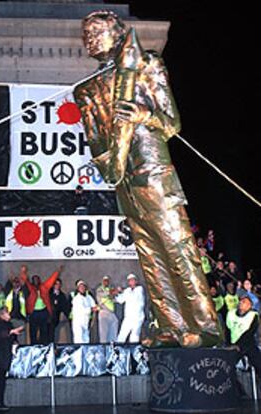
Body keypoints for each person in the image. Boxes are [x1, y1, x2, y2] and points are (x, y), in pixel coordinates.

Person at [74, 10, 222, 347]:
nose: (90, 40)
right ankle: (170, 326)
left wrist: (144, 114)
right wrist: (108, 163)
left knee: (178, 246)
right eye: (86, 35)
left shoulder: (145, 63)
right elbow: (96, 140)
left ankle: (205, 326)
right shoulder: (87, 91)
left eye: (97, 32)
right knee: (150, 255)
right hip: (124, 181)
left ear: (118, 32)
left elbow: (172, 122)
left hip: (154, 174)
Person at [20, 265, 63, 345]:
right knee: (33, 331)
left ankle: (43, 346)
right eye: (34, 279)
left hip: (43, 312)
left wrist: (58, 271)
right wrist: (23, 272)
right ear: (32, 281)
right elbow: (25, 279)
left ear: (39, 280)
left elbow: (52, 279)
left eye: (37, 279)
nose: (36, 281)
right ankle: (33, 347)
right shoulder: (31, 288)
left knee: (44, 331)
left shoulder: (44, 287)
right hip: (33, 313)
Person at [0, 306, 23, 411]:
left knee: (1, 379)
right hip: (0, 355)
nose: (9, 315)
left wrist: (14, 339)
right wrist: (11, 332)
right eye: (7, 313)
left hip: (5, 355)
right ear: (1, 315)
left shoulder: (8, 325)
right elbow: (0, 336)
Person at [227, 296, 261, 377]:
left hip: (247, 344)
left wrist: (238, 345)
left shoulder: (253, 315)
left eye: (244, 302)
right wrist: (230, 344)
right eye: (240, 301)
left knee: (259, 363)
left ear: (250, 306)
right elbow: (227, 330)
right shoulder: (231, 314)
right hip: (233, 344)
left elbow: (249, 333)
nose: (241, 302)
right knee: (227, 365)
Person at [115, 274, 145, 343]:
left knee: (134, 336)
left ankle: (134, 352)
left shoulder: (139, 289)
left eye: (133, 280)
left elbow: (134, 296)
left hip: (138, 317)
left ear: (136, 281)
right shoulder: (127, 291)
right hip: (128, 317)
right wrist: (117, 294)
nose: (131, 282)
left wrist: (121, 290)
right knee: (122, 335)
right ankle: (119, 352)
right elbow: (120, 300)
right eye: (130, 281)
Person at [96, 275, 119, 343]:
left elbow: (114, 299)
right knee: (103, 333)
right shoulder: (100, 289)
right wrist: (111, 292)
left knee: (113, 331)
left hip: (111, 313)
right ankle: (103, 349)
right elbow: (103, 295)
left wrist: (118, 292)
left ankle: (112, 348)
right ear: (102, 281)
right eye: (105, 281)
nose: (106, 282)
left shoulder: (110, 289)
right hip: (104, 312)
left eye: (107, 281)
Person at [5, 276, 27, 344]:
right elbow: (7, 287)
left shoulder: (22, 293)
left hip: (20, 318)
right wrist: (10, 278)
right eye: (14, 282)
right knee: (11, 338)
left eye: (17, 282)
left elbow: (27, 290)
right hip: (11, 318)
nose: (16, 284)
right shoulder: (9, 292)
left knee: (21, 338)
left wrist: (22, 281)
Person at [49, 278, 71, 343]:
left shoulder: (62, 295)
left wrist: (69, 316)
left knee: (53, 335)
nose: (57, 286)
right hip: (47, 318)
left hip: (55, 318)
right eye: (56, 284)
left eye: (59, 284)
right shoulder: (48, 293)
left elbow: (65, 307)